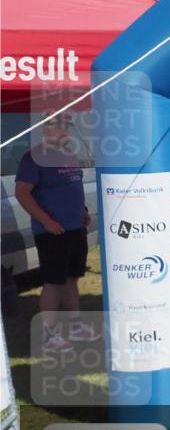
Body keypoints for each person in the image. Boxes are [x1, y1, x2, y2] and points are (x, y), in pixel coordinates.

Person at [15, 112, 97, 351]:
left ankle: (75, 326)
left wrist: (83, 210)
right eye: (59, 127)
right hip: (52, 233)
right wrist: (47, 221)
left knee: (72, 279)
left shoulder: (69, 155)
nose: (65, 131)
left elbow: (71, 188)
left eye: (66, 127)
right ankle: (48, 335)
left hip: (75, 229)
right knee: (53, 282)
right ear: (45, 129)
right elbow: (22, 193)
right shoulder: (33, 158)